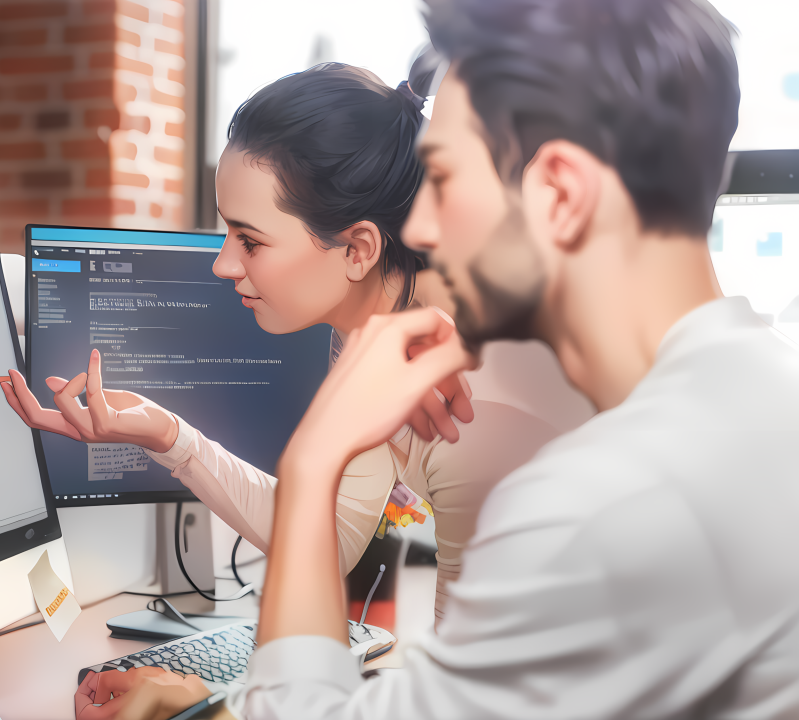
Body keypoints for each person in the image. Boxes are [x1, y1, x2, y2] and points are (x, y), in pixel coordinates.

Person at [228, 0, 799, 718]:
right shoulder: (764, 390)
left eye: (442, 180)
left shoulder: (600, 509)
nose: (424, 225)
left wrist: (316, 456)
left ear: (558, 193)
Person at [3, 63, 561, 628]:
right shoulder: (371, 337)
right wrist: (169, 437)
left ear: (358, 249)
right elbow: (332, 536)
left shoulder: (477, 410)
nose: (223, 264)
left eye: (250, 240)